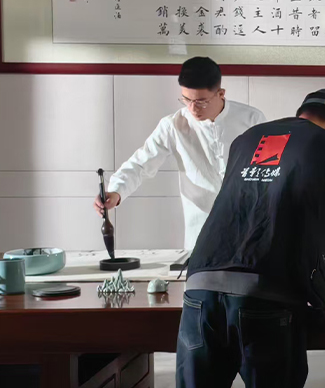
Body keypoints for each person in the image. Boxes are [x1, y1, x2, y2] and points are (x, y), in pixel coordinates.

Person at [174, 89, 325, 388]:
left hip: (200, 288)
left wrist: (314, 263)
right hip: (267, 297)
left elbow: (255, 212)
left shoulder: (246, 140)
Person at [93, 56, 266, 251]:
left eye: (201, 101)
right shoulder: (173, 125)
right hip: (201, 230)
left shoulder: (252, 119)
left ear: (221, 93)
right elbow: (141, 163)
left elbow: (269, 172)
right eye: (186, 100)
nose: (192, 108)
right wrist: (116, 191)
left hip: (248, 226)